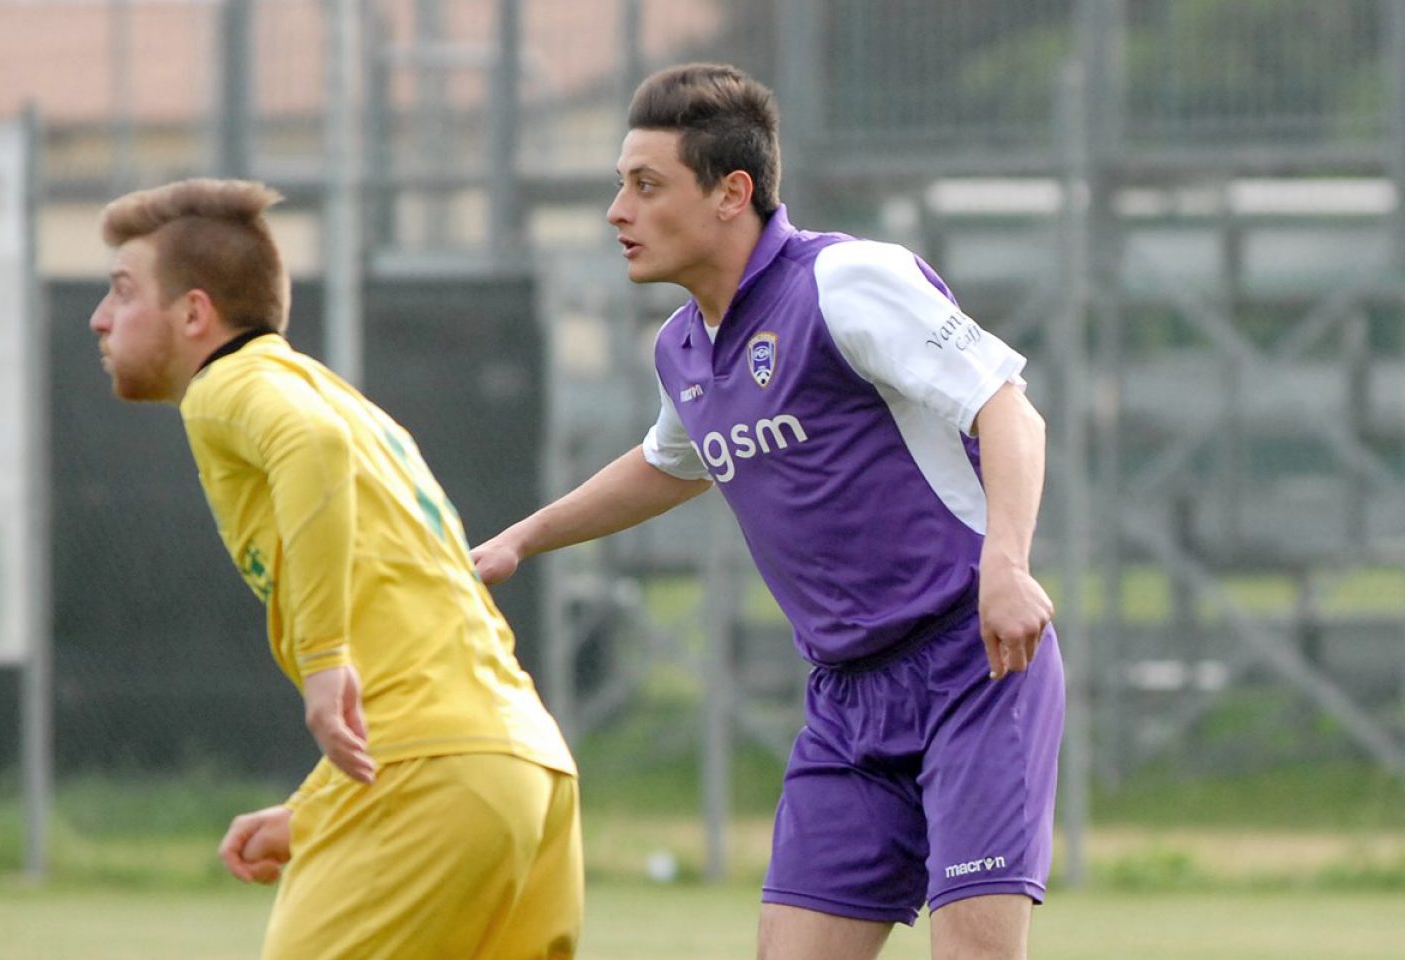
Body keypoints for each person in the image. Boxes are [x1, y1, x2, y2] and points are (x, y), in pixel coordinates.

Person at [471, 63, 1064, 960]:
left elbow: (1008, 407)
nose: (615, 212)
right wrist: (521, 540)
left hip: (970, 666)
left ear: (731, 193)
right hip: (846, 700)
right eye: (619, 185)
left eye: (645, 185)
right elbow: (671, 462)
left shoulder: (846, 282)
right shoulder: (684, 347)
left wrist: (1006, 565)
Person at [90, 178, 582, 960]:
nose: (100, 317)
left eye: (121, 291)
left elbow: (307, 446)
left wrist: (322, 666)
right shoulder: (347, 404)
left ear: (193, 313)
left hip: (434, 770)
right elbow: (417, 642)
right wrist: (317, 809)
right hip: (522, 766)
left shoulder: (230, 384)